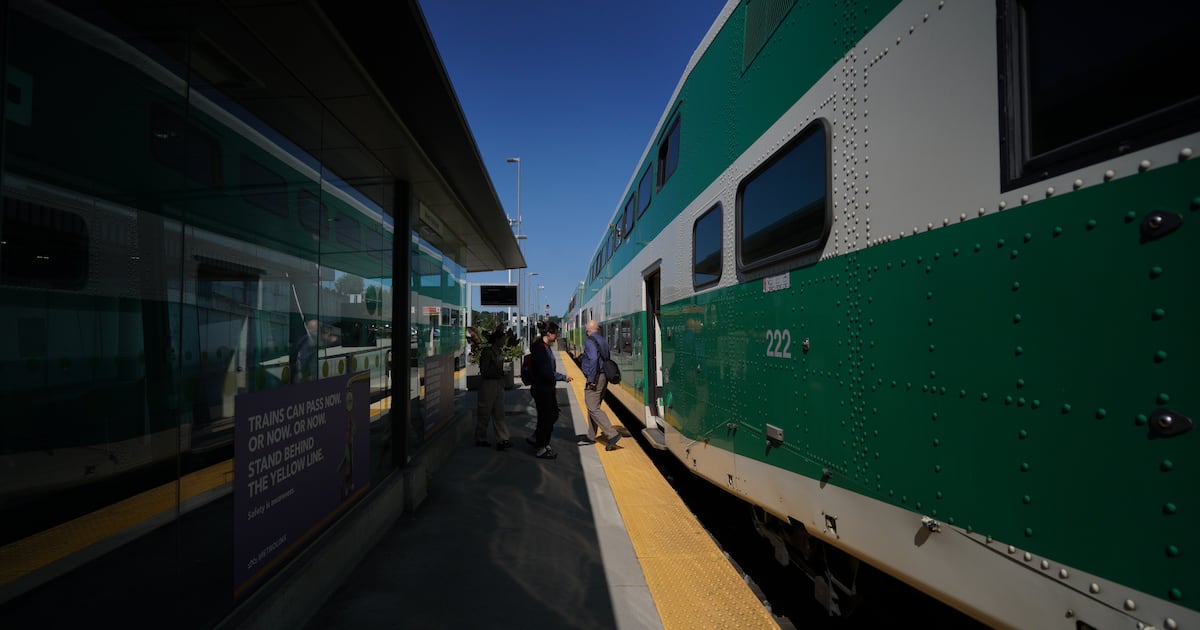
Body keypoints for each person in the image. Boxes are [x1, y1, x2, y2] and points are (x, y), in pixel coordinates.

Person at [526, 321, 572, 459]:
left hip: (545, 387)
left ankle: (541, 440)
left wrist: (553, 386)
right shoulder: (541, 349)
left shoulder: (544, 346)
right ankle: (541, 446)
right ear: (549, 333)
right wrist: (563, 377)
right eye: (555, 333)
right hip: (542, 388)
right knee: (546, 417)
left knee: (550, 415)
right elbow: (547, 372)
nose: (557, 336)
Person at [580, 319, 621, 451]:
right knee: (593, 406)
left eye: (586, 329)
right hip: (604, 377)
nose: (586, 331)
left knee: (593, 407)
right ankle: (591, 436)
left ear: (589, 330)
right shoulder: (603, 340)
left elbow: (593, 359)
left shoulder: (590, 341)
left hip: (596, 378)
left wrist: (591, 379)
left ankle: (612, 434)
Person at [475, 329, 512, 450]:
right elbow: (484, 370)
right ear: (497, 339)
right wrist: (498, 373)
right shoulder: (488, 352)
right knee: (485, 412)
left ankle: (503, 439)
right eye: (502, 339)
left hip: (498, 383)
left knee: (499, 413)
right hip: (488, 384)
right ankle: (481, 438)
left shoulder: (499, 352)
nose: (504, 341)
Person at [291, 318, 338, 383]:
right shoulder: (308, 344)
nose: (321, 333)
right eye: (318, 330)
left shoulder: (316, 340)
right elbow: (304, 364)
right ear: (310, 331)